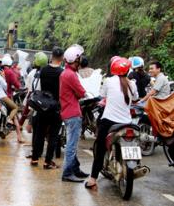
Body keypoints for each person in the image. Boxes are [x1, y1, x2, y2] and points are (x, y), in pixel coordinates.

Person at [85, 57, 138, 189]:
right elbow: (136, 98)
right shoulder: (132, 84)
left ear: (113, 69)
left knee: (100, 148)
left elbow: (102, 95)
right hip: (127, 123)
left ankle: (92, 179)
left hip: (109, 122)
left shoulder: (108, 81)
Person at [31, 48, 64, 169]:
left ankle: (34, 159)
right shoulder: (62, 72)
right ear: (61, 58)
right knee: (53, 136)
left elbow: (38, 87)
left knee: (39, 133)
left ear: (52, 56)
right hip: (55, 107)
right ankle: (47, 162)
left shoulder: (43, 70)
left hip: (43, 106)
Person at [60, 44, 88, 183]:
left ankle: (75, 169)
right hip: (72, 113)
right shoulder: (71, 75)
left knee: (73, 143)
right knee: (71, 145)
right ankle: (67, 173)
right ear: (75, 60)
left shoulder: (66, 73)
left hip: (67, 111)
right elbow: (82, 92)